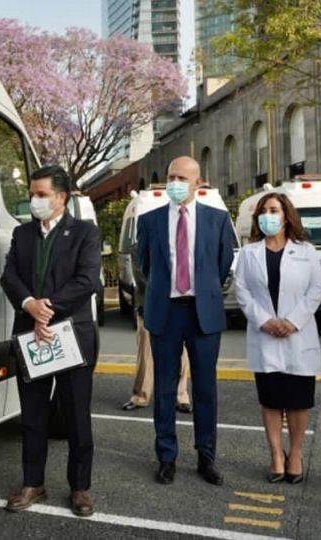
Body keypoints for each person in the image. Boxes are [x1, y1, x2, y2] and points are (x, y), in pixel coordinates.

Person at [0, 165, 101, 517]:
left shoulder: (85, 233)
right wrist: (30, 305)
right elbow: (9, 276)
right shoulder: (23, 234)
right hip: (32, 336)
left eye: (41, 194)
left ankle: (80, 488)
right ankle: (33, 483)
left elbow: (87, 280)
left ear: (61, 198)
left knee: (76, 418)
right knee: (33, 416)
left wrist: (48, 311)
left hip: (71, 335)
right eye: (32, 194)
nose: (34, 200)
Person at [137, 156, 234, 486]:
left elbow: (221, 265)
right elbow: (146, 265)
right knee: (165, 388)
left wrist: (200, 290)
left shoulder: (218, 219)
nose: (175, 182)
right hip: (165, 311)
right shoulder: (148, 220)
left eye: (182, 177)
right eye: (170, 176)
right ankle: (166, 457)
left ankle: (206, 456)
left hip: (202, 313)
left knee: (205, 389)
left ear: (198, 182)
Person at [234, 193, 321, 484]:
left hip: (297, 335)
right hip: (266, 335)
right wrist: (265, 321)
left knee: (298, 401)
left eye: (274, 210)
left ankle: (295, 454)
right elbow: (242, 291)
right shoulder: (249, 253)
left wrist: (292, 321)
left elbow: (316, 289)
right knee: (271, 401)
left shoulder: (306, 250)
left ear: (287, 215)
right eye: (263, 211)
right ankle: (275, 455)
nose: (268, 215)